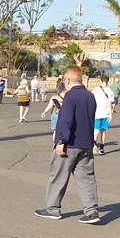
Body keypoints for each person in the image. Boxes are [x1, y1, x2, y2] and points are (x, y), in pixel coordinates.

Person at [35, 66, 101, 224]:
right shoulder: (90, 96)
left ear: (67, 80)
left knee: (58, 176)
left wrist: (61, 141)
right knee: (86, 178)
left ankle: (52, 209)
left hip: (69, 144)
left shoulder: (70, 97)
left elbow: (66, 121)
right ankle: (91, 211)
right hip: (86, 143)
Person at [91, 76, 115, 155]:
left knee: (96, 129)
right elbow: (110, 103)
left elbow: (91, 100)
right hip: (106, 113)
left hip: (96, 113)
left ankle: (94, 145)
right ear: (108, 81)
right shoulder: (110, 91)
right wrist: (111, 114)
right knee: (103, 131)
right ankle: (101, 148)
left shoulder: (95, 90)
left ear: (100, 81)